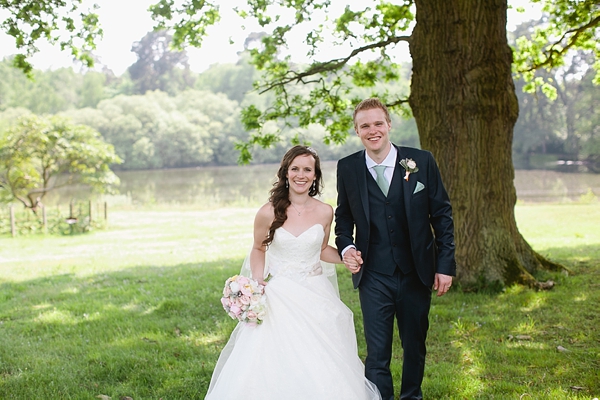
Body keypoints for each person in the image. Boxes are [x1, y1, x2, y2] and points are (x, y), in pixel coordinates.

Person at [205, 145, 381, 400]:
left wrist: (346, 258)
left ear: (315, 175)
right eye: (295, 169)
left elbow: (321, 249)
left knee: (322, 357)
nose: (301, 175)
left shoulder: (324, 211)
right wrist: (257, 281)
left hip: (316, 293)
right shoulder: (268, 212)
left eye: (307, 169)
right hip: (280, 295)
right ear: (286, 173)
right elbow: (258, 248)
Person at [335, 98, 456, 400]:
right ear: (357, 130)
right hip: (373, 274)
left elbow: (441, 214)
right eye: (365, 126)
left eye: (378, 123)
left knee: (414, 346)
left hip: (417, 271)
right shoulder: (348, 167)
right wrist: (347, 245)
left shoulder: (420, 161)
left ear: (389, 124)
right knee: (377, 354)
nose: (372, 130)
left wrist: (444, 265)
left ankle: (412, 397)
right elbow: (344, 217)